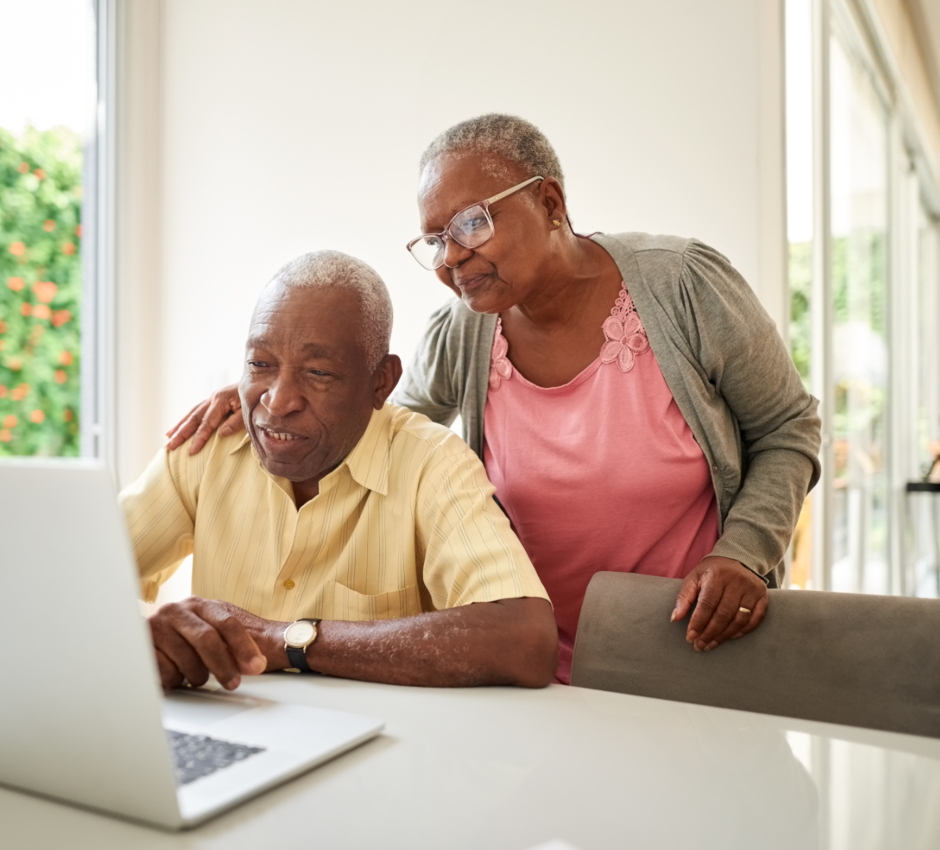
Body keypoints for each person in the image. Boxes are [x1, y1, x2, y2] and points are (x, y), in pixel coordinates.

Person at [168, 115, 821, 684]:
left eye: (471, 224)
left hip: (689, 646)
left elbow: (789, 428)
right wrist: (278, 384)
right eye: (434, 241)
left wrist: (742, 553)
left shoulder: (682, 286)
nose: (451, 258)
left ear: (550, 202)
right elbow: (385, 425)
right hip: (524, 661)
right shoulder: (466, 330)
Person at [124, 249, 557, 692]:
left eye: (317, 372)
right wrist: (152, 633)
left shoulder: (432, 464)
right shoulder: (206, 448)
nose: (277, 400)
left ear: (381, 382)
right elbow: (69, 582)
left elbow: (525, 641)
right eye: (260, 364)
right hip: (229, 736)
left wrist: (285, 640)